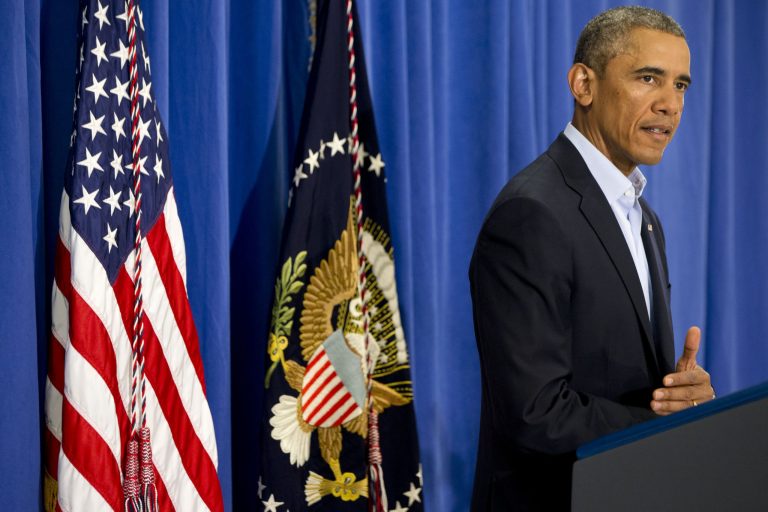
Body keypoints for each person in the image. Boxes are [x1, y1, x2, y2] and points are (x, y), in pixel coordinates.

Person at [469, 6, 716, 511]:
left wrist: (680, 396)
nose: (670, 104)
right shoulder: (531, 213)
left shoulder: (644, 218)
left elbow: (617, 377)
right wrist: (667, 425)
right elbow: (534, 413)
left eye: (682, 85)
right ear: (584, 84)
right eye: (649, 78)